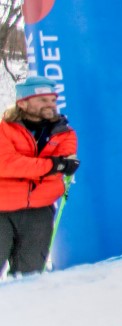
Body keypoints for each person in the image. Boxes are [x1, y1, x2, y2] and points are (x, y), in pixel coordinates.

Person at [0, 76, 79, 276]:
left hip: (39, 212)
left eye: (53, 100)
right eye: (43, 100)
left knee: (29, 275)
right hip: (2, 209)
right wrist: (52, 165)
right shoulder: (4, 129)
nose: (50, 105)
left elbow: (62, 168)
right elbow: (6, 165)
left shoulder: (64, 133)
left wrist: (51, 167)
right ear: (23, 102)